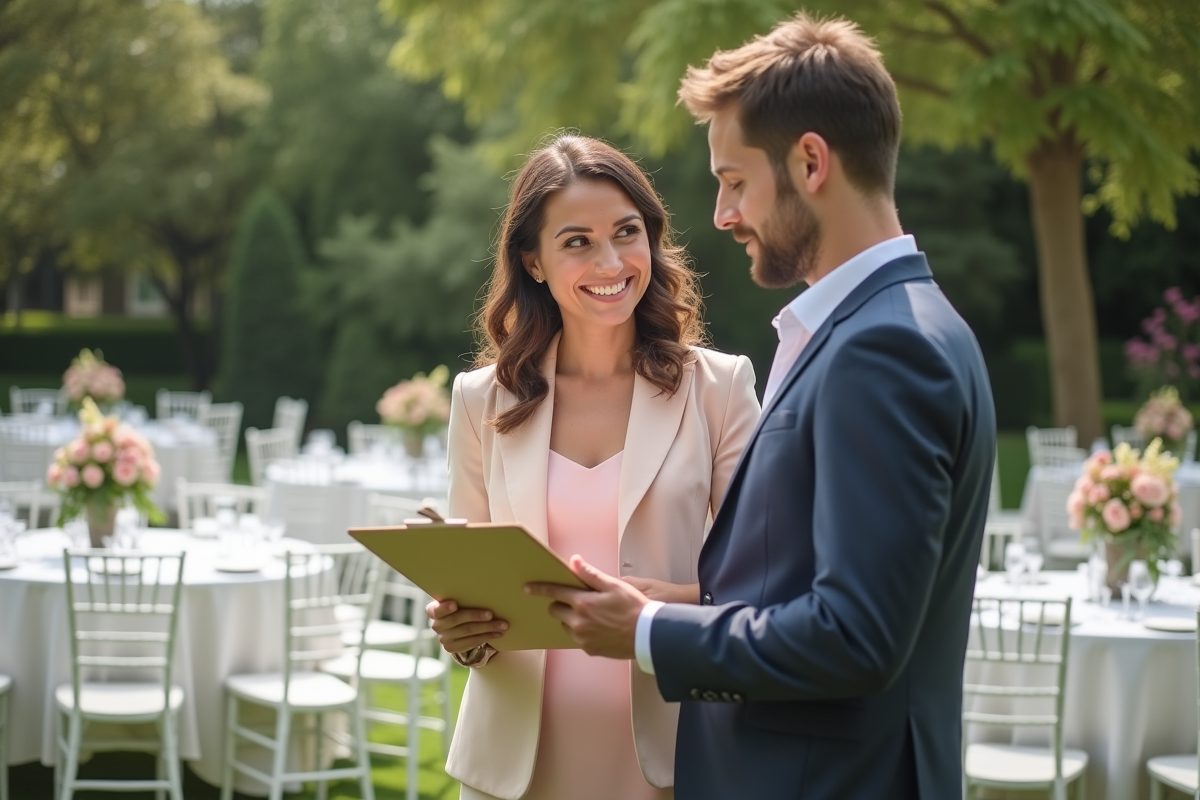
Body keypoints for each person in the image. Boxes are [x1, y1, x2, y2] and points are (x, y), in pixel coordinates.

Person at [528, 14, 996, 800]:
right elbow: (798, 585)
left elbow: (855, 637)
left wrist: (645, 632)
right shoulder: (883, 326)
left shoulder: (883, 350)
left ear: (811, 161)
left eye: (735, 180)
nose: (722, 214)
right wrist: (662, 603)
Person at [427, 134, 760, 800]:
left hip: (671, 756)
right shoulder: (480, 400)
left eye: (626, 233)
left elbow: (766, 586)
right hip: (514, 768)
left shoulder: (720, 390)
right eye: (577, 241)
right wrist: (461, 632)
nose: (610, 261)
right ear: (535, 262)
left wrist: (657, 613)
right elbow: (474, 593)